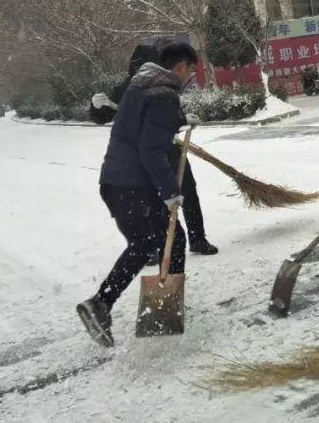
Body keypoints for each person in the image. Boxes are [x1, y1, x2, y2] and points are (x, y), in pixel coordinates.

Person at [76, 42, 202, 348]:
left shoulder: (141, 86)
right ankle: (113, 306)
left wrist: (181, 119)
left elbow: (141, 128)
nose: (191, 78)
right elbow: (150, 149)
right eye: (192, 71)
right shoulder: (164, 95)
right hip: (133, 184)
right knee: (153, 241)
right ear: (181, 66)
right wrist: (171, 193)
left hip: (116, 182)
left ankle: (157, 309)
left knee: (155, 241)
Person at [90, 42, 218, 256]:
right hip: (144, 156)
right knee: (154, 201)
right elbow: (103, 117)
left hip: (169, 148)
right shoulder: (128, 88)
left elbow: (163, 119)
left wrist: (182, 118)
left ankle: (197, 238)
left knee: (188, 191)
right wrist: (95, 106)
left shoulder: (163, 82)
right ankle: (153, 247)